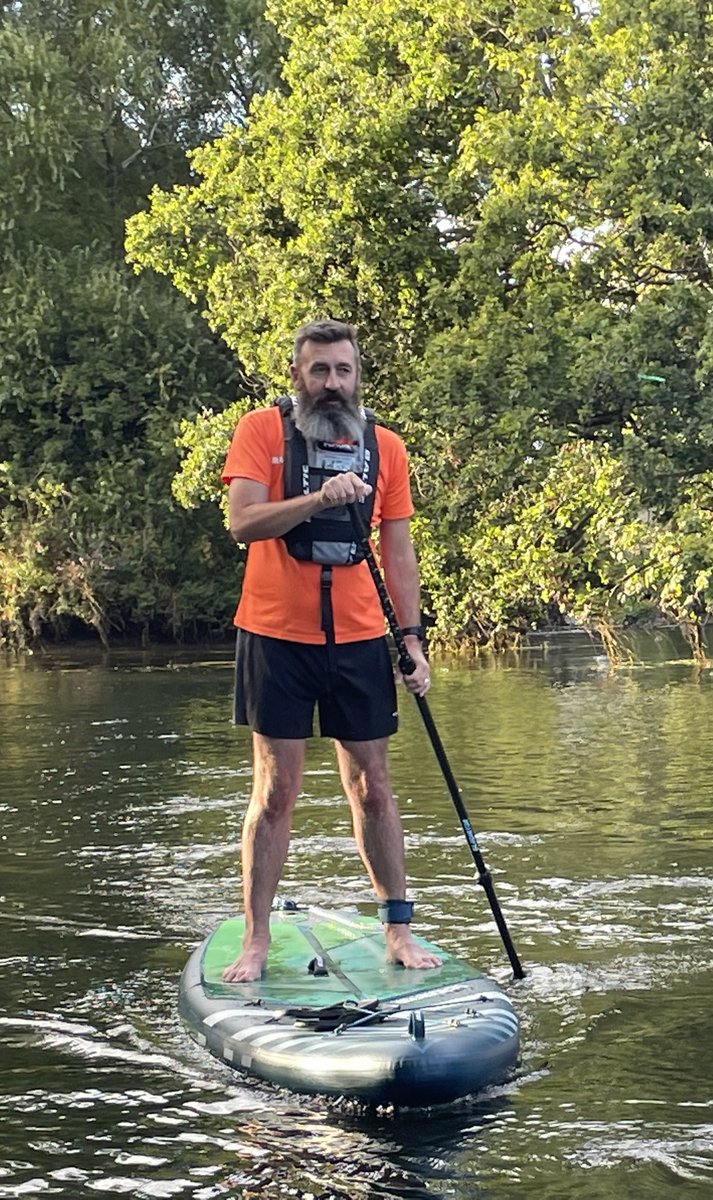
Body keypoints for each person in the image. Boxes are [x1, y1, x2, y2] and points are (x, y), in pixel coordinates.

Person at [220, 318, 442, 982]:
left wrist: (412, 640)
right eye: (319, 370)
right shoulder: (262, 432)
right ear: (297, 375)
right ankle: (256, 939)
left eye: (343, 371)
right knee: (277, 789)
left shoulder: (387, 448)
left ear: (356, 377)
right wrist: (317, 498)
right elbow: (242, 521)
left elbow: (398, 553)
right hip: (274, 636)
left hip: (359, 640)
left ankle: (398, 931)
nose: (332, 383)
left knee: (373, 787)